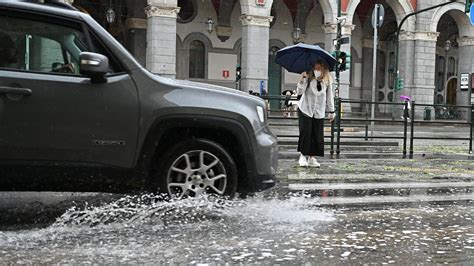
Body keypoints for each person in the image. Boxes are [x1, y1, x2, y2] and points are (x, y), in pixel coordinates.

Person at [296, 60, 335, 167]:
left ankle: (312, 158)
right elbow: (299, 92)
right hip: (305, 109)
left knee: (317, 134)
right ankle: (303, 156)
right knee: (305, 132)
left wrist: (331, 111)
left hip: (319, 111)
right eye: (315, 68)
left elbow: (329, 96)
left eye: (318, 68)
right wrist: (302, 80)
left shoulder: (327, 80)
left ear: (323, 69)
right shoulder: (308, 77)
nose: (316, 70)